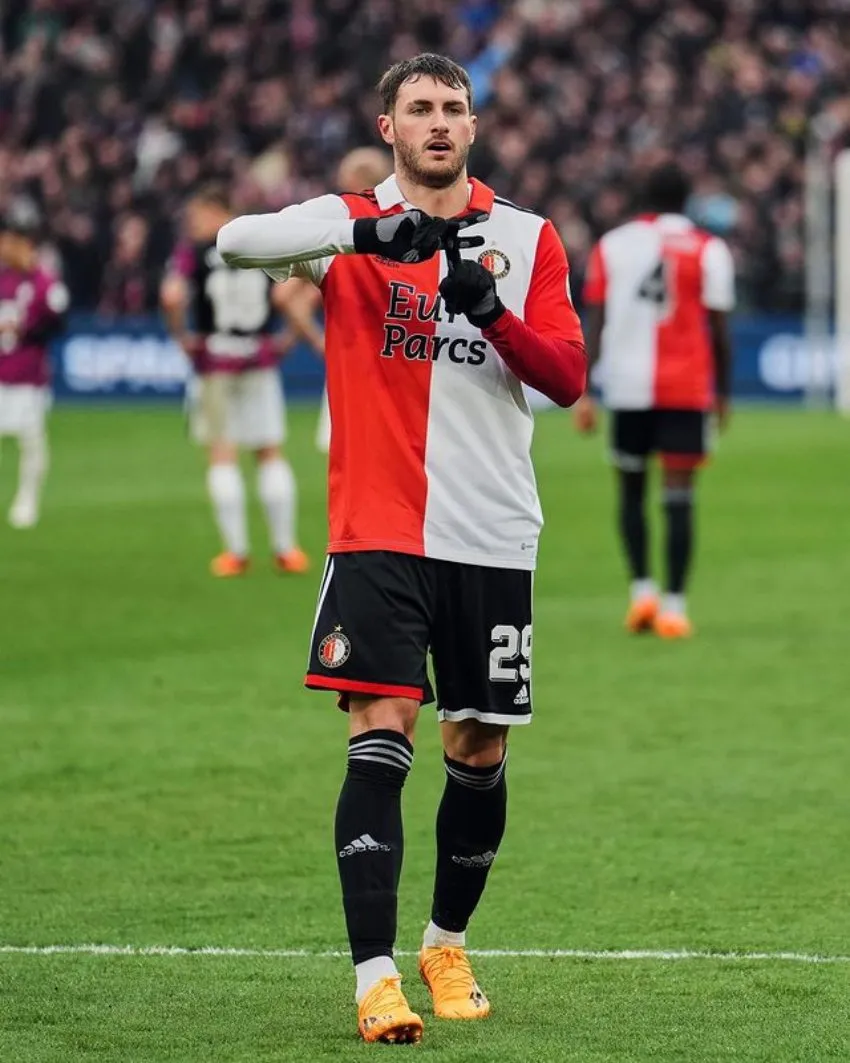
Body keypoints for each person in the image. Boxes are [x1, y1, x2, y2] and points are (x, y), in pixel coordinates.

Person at [217, 53, 586, 1044]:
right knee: (380, 737)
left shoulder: (527, 237)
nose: (436, 123)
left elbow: (566, 379)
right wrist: (361, 231)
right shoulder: (345, 223)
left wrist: (493, 315)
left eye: (452, 109)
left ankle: (444, 941)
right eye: (418, 108)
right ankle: (374, 976)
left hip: (492, 534)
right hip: (377, 530)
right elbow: (233, 240)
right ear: (388, 126)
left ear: (473, 125)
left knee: (478, 749)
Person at [574, 162, 734, 638]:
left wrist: (584, 388)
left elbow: (596, 321)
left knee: (630, 490)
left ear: (644, 197)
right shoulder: (710, 249)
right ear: (689, 199)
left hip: (625, 386)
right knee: (679, 497)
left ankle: (640, 593)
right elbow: (720, 330)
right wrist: (722, 394)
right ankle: (675, 606)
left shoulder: (612, 245)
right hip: (686, 390)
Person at [160, 185, 309, 577]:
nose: (194, 224)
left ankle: (236, 552)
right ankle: (286, 549)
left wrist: (182, 339)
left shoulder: (193, 253)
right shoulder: (257, 244)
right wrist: (289, 339)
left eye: (198, 216)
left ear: (216, 211)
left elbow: (172, 297)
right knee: (269, 451)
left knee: (222, 453)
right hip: (257, 357)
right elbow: (286, 296)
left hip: (215, 359)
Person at [274, 147, 394, 453]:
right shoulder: (405, 232)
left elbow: (285, 296)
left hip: (353, 362)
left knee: (352, 466)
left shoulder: (341, 238)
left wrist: (319, 342)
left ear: (356, 182)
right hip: (403, 364)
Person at [0, 200, 68, 529]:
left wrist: (22, 329)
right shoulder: (3, 279)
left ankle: (28, 499)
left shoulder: (44, 281)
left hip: (27, 373)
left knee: (30, 438)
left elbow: (58, 324)